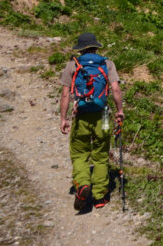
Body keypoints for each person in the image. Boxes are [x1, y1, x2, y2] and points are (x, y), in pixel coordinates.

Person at [59, 32, 124, 210]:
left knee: (80, 153)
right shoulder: (107, 64)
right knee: (101, 155)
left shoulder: (73, 65)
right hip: (102, 115)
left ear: (80, 49)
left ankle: (82, 184)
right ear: (96, 47)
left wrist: (63, 119)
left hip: (80, 115)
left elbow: (65, 94)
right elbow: (116, 90)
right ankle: (100, 197)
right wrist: (120, 111)